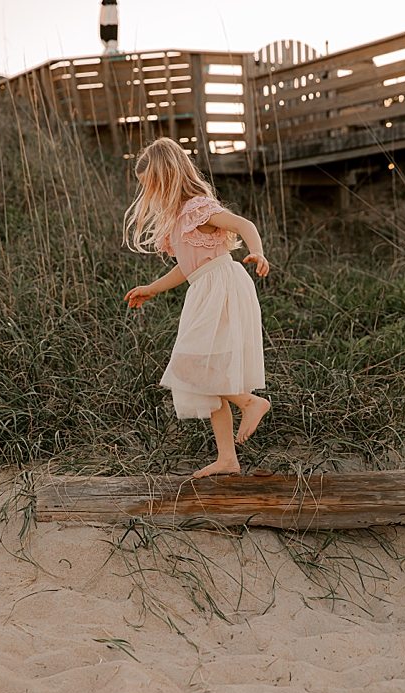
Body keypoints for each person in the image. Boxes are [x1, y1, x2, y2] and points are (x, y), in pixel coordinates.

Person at [123, 138, 273, 479]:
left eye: (155, 186)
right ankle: (227, 458)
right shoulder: (178, 219)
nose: (153, 194)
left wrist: (258, 252)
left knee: (193, 365)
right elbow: (185, 268)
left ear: (171, 176)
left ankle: (250, 402)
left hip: (221, 284)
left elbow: (243, 225)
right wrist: (151, 289)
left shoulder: (198, 207)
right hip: (202, 288)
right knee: (207, 370)